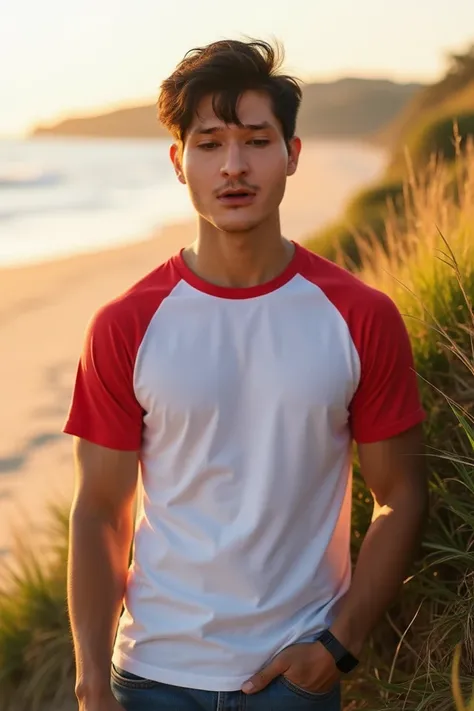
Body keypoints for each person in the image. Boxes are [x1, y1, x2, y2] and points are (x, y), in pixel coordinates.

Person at [64, 38, 428, 711]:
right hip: (151, 676)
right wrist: (90, 680)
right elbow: (98, 512)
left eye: (257, 141)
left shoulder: (360, 316)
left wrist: (336, 647)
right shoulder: (125, 324)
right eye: (209, 144)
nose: (234, 166)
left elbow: (401, 496)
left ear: (292, 154)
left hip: (295, 678)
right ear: (179, 162)